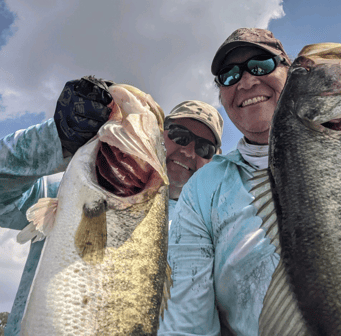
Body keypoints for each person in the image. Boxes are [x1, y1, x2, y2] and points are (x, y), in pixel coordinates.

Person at [158, 28, 341, 336]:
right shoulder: (202, 188)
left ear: (285, 68)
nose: (246, 80)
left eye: (262, 64)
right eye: (228, 75)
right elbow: (187, 320)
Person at [0, 76, 223, 336]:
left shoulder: (215, 235)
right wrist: (59, 138)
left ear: (214, 160)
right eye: (179, 135)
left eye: (205, 147)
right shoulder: (64, 192)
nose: (188, 151)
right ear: (161, 137)